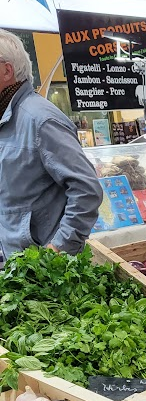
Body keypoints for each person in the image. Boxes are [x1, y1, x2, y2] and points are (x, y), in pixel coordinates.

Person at [0, 30, 102, 260]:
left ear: (7, 70)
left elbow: (87, 190)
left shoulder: (41, 120)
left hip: (43, 268)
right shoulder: (6, 119)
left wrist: (57, 250)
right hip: (17, 262)